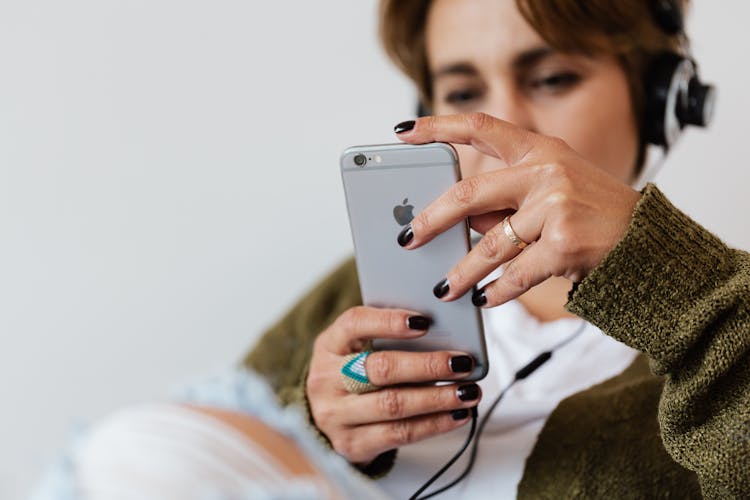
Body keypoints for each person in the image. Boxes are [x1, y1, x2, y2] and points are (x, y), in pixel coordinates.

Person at [34, 1, 748, 499]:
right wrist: (321, 428)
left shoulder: (719, 311)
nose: (503, 121)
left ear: (661, 97)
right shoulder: (377, 278)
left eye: (552, 77)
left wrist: (665, 275)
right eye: (464, 89)